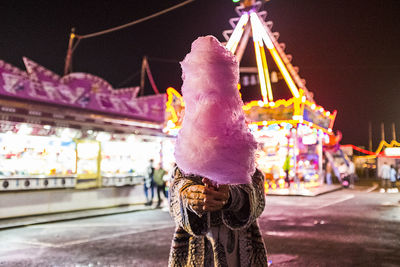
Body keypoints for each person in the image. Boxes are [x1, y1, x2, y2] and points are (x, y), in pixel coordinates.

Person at [168, 167, 268, 266]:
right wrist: (188, 195)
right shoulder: (181, 169)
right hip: (194, 244)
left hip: (241, 245)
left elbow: (257, 198)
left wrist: (232, 197)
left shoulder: (249, 169)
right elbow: (174, 196)